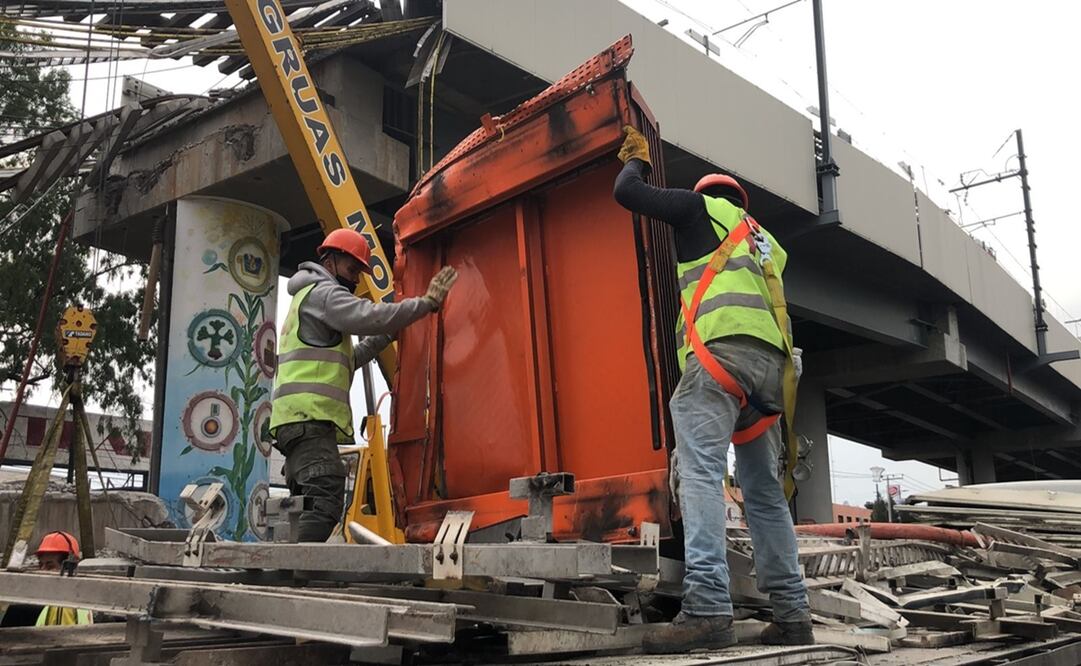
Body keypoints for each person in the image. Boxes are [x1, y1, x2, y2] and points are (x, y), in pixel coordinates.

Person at [613, 126, 810, 652]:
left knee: (699, 475)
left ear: (706, 194)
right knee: (765, 495)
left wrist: (638, 162)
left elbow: (626, 194)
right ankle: (793, 614)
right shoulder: (769, 245)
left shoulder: (699, 209)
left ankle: (706, 607)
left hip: (720, 361)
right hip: (772, 377)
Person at [270, 227, 458, 542]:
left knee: (308, 503)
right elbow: (369, 315)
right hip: (308, 419)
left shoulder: (305, 298)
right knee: (327, 497)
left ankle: (293, 570)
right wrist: (425, 304)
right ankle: (296, 574)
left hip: (295, 422)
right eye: (351, 269)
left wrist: (390, 332)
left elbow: (350, 359)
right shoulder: (324, 294)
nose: (355, 279)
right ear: (329, 261)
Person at [0, 531, 93, 627]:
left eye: (50, 566)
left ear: (68, 568)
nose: (43, 571)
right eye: (41, 565)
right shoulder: (78, 598)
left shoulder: (62, 607)